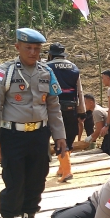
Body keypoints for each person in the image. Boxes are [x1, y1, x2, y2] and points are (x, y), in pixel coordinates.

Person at [0, 27, 67, 218]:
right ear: (17, 47)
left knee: (37, 179)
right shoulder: (5, 72)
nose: (33, 52)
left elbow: (53, 106)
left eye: (37, 48)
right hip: (13, 135)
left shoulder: (46, 72)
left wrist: (59, 136)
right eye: (28, 48)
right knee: (14, 181)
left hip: (39, 135)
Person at [46, 43, 86, 182]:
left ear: (50, 54)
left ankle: (67, 171)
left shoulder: (47, 67)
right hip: (71, 107)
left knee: (58, 137)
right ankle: (62, 167)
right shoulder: (74, 67)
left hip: (54, 108)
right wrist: (82, 111)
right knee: (68, 137)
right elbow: (79, 91)